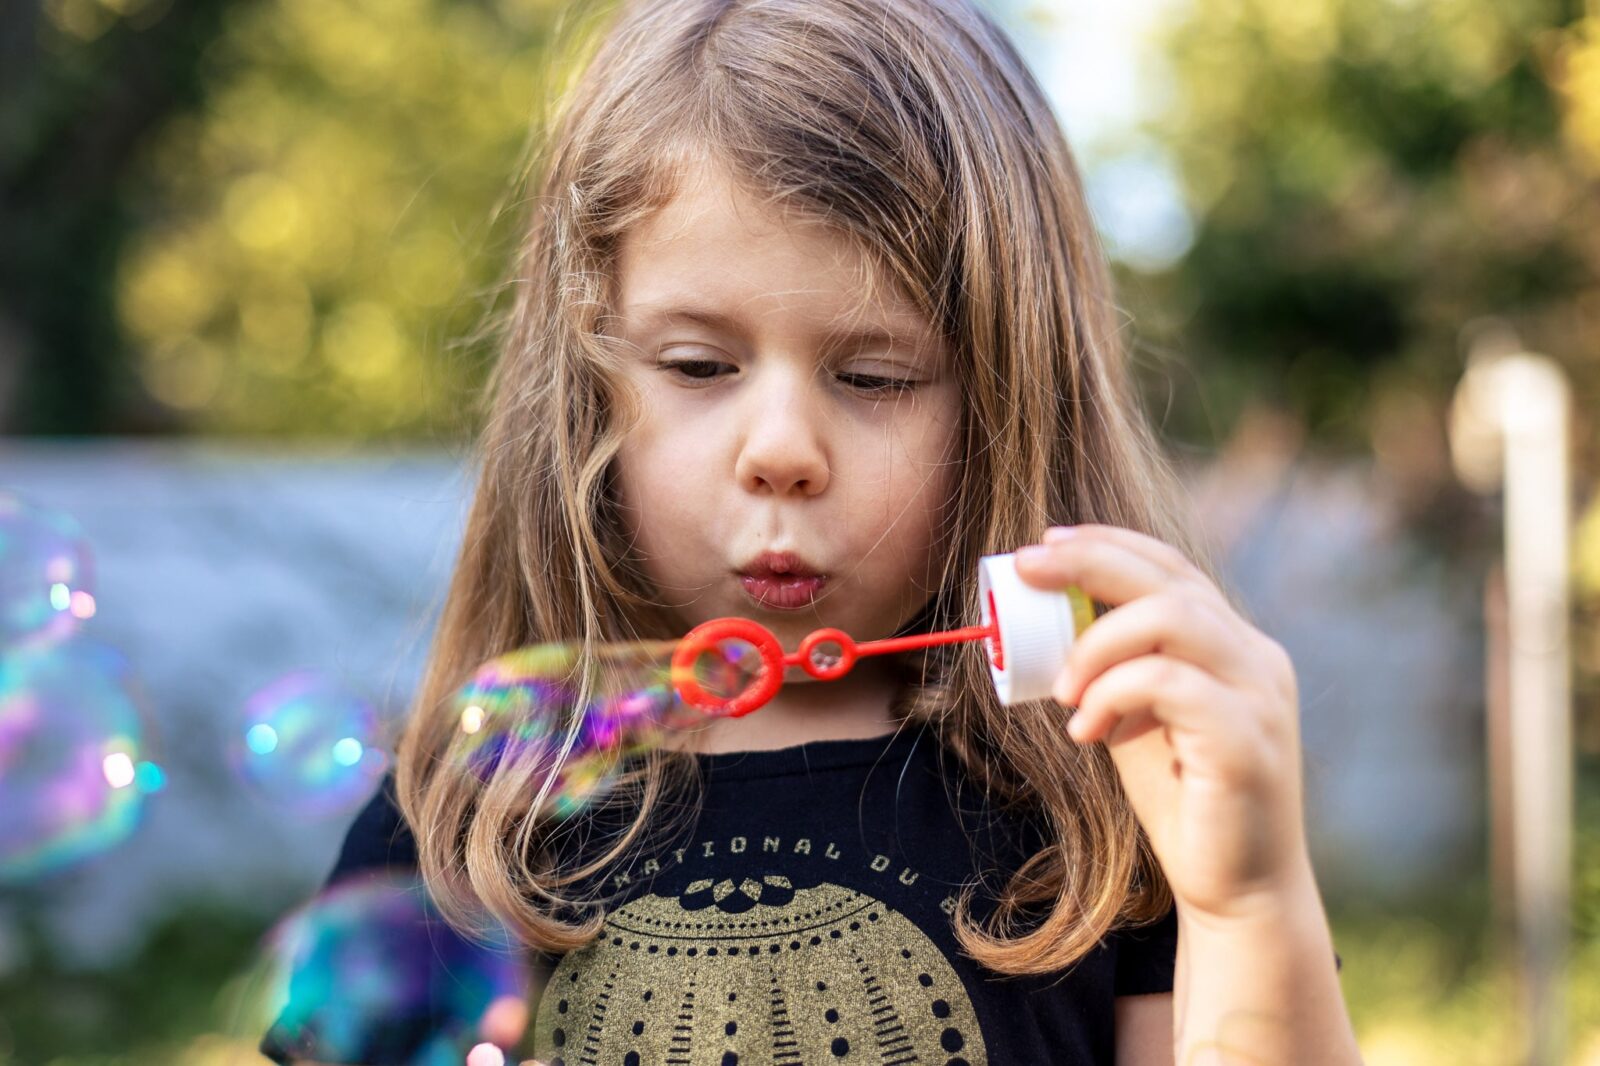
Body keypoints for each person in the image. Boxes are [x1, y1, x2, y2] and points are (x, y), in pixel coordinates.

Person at [262, 0, 1359, 1062]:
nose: (781, 448)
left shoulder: (1110, 812)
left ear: (1011, 404)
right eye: (699, 366)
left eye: (873, 374)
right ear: (584, 387)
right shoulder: (464, 822)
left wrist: (1247, 905)